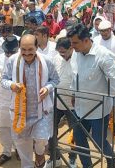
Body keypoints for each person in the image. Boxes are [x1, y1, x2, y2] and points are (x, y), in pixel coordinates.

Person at [0, 34, 59, 168]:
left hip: (41, 111)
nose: (27, 53)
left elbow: (55, 80)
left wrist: (47, 88)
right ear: (19, 48)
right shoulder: (12, 61)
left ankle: (39, 153)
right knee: (22, 144)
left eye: (30, 50)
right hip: (19, 112)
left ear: (37, 47)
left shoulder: (46, 61)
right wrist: (12, 85)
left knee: (41, 139)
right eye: (23, 50)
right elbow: (3, 80)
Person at [67, 23, 115, 168]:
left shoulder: (103, 55)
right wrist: (73, 93)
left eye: (75, 43)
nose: (73, 46)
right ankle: (87, 166)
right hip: (79, 107)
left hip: (98, 109)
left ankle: (111, 160)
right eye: (71, 43)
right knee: (79, 139)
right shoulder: (76, 54)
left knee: (98, 140)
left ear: (86, 40)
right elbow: (74, 76)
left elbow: (113, 82)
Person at [45, 37, 78, 168]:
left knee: (75, 133)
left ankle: (72, 159)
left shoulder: (78, 59)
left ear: (71, 48)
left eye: (64, 52)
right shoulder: (56, 58)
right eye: (59, 52)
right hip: (56, 102)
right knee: (51, 131)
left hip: (73, 105)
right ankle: (55, 157)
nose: (62, 54)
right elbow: (51, 77)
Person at [0, 36, 19, 167]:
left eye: (11, 52)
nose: (9, 55)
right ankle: (6, 152)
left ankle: (19, 149)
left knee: (18, 126)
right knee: (3, 127)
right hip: (2, 98)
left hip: (17, 97)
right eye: (7, 52)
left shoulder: (23, 58)